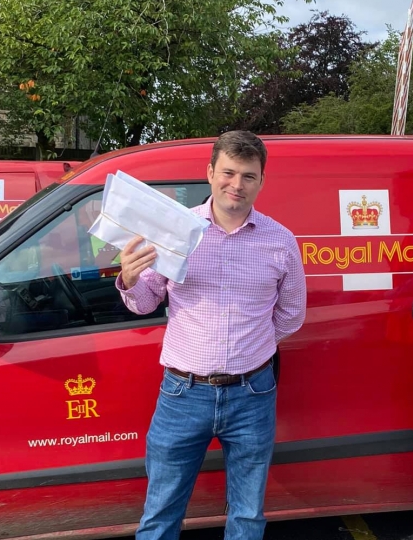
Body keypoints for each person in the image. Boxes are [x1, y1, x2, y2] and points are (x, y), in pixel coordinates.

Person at [116, 130, 307, 540]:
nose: (236, 185)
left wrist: (250, 347)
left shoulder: (281, 241)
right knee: (160, 513)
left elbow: (291, 315)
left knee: (248, 516)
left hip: (252, 394)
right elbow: (147, 302)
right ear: (210, 173)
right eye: (228, 173)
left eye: (248, 176)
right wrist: (130, 281)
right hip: (183, 395)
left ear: (261, 181)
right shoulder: (176, 231)